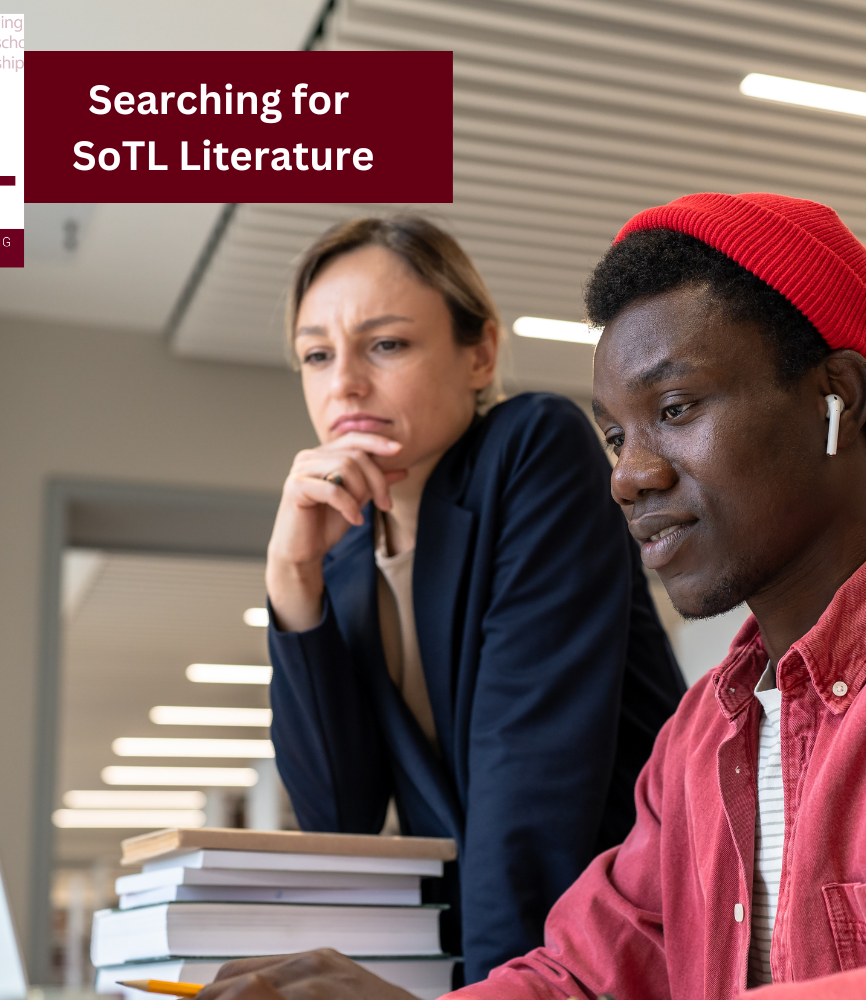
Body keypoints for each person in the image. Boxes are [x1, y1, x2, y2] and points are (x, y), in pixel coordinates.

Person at [206, 193, 866, 999]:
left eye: (678, 408)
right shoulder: (699, 741)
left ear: (836, 400)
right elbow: (578, 975)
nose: (628, 475)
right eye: (616, 434)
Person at [262, 216, 687, 985]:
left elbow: (529, 794)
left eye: (385, 344)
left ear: (479, 352)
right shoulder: (349, 559)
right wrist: (294, 580)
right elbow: (341, 817)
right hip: (500, 967)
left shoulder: (532, 450)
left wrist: (493, 991)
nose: (344, 383)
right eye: (317, 355)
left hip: (619, 944)